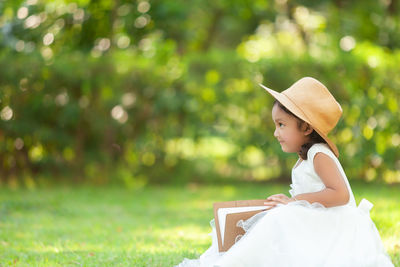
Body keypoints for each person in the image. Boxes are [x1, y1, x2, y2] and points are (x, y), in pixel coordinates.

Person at [175, 77, 394, 267]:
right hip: (320, 220)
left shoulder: (319, 154)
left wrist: (294, 202)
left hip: (336, 226)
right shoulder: (306, 157)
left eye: (281, 125)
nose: (275, 132)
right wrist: (292, 203)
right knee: (275, 216)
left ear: (306, 128)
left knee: (281, 217)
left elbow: (340, 194)